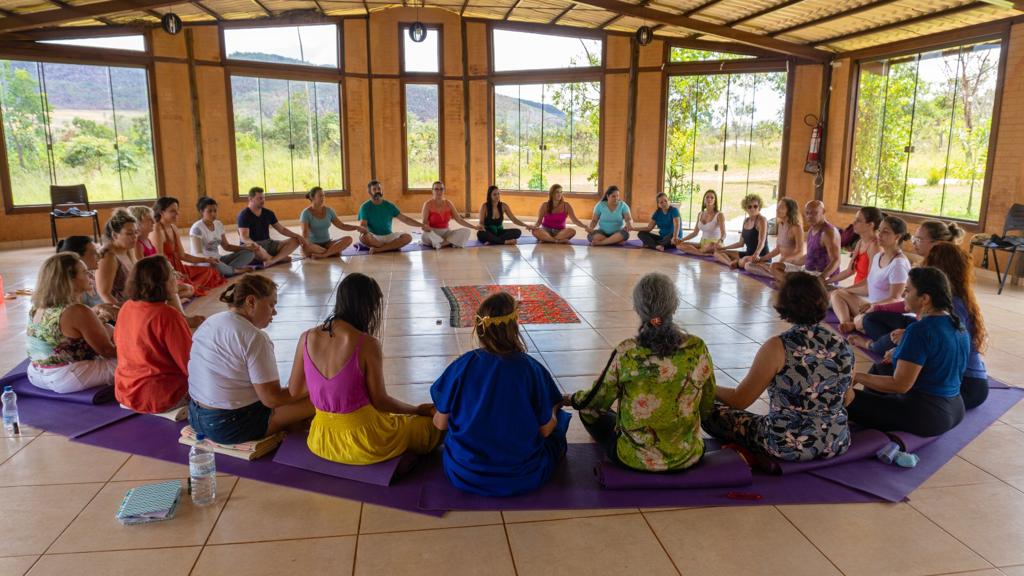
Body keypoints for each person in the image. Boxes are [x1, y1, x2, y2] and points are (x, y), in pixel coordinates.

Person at [287, 273, 443, 464]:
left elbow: (294, 390)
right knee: (431, 427)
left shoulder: (306, 337)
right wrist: (416, 409)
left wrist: (328, 396)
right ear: (367, 307)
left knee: (390, 418)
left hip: (321, 439)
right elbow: (381, 402)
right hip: (365, 443)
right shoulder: (366, 344)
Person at [566, 272, 715, 471]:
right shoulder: (697, 347)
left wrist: (573, 399)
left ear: (637, 308)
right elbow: (707, 403)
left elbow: (596, 401)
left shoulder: (628, 352)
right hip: (687, 455)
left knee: (587, 410)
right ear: (675, 305)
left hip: (633, 459)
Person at [703, 272, 854, 462]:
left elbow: (739, 400)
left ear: (785, 304)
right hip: (836, 441)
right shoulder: (843, 344)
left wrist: (706, 385)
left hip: (786, 444)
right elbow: (848, 398)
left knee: (712, 410)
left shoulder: (778, 347)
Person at [430, 292, 569, 496]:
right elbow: (546, 430)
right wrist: (556, 408)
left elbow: (440, 424)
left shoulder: (462, 366)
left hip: (464, 473)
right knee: (559, 426)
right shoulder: (530, 369)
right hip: (523, 476)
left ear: (479, 328)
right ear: (514, 329)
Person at [853, 243, 989, 409]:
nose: (924, 262)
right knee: (883, 355)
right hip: (953, 392)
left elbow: (902, 383)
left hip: (966, 386)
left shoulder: (952, 307)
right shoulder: (943, 306)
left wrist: (902, 350)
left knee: (882, 372)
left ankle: (868, 407)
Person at [188, 275, 314, 444]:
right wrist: (311, 388)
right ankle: (280, 425)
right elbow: (272, 400)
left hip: (196, 416)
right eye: (271, 305)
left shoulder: (211, 321)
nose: (274, 312)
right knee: (321, 399)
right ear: (251, 301)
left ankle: (289, 423)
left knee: (292, 397)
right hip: (226, 426)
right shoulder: (254, 337)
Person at [845, 267, 970, 437]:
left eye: (908, 290)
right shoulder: (958, 325)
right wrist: (898, 352)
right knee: (880, 369)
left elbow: (900, 385)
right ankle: (871, 415)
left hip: (927, 415)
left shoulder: (919, 329)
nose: (904, 295)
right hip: (955, 408)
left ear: (925, 298)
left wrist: (856, 377)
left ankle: (867, 416)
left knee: (842, 397)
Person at [26, 253, 117, 393]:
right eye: (85, 273)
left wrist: (102, 318)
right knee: (136, 363)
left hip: (35, 374)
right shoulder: (77, 311)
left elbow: (70, 330)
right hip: (66, 378)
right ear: (70, 280)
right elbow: (107, 351)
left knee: (107, 328)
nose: (91, 276)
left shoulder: (37, 307)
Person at [113, 256, 193, 414]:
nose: (176, 275)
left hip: (126, 392)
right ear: (160, 281)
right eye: (171, 272)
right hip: (160, 396)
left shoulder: (127, 307)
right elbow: (189, 363)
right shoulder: (167, 314)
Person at [830, 215, 911, 333]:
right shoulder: (879, 256)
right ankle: (846, 323)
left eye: (886, 232)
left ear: (897, 237)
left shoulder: (899, 264)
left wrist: (875, 306)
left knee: (860, 319)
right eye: (879, 230)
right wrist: (846, 290)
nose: (879, 234)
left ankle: (855, 323)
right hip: (870, 305)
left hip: (884, 311)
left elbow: (896, 298)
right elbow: (869, 284)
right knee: (836, 294)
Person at [151, 197, 226, 297]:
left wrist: (205, 259)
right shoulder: (157, 230)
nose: (177, 213)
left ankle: (181, 290)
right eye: (172, 211)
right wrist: (173, 272)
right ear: (161, 212)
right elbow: (159, 260)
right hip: (165, 271)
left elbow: (183, 255)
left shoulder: (173, 227)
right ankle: (171, 295)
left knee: (210, 272)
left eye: (177, 210)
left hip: (179, 268)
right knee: (188, 288)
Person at [769, 200, 840, 282]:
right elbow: (810, 255)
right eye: (807, 213)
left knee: (783, 280)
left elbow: (836, 260)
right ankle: (793, 286)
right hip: (806, 271)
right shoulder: (811, 229)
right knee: (775, 267)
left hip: (819, 275)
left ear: (823, 212)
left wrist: (821, 278)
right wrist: (791, 262)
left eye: (814, 213)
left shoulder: (829, 232)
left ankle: (792, 286)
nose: (810, 216)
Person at [237, 186, 309, 266]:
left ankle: (273, 260)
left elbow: (282, 229)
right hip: (253, 246)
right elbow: (244, 237)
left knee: (295, 240)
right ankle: (278, 258)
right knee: (255, 249)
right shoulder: (244, 215)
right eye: (260, 198)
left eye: (263, 198)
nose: (263, 201)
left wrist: (298, 236)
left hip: (268, 243)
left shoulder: (268, 213)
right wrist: (256, 245)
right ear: (250, 199)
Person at [189, 196, 257, 277]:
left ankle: (226, 270)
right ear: (201, 212)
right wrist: (208, 259)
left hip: (218, 260)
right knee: (215, 265)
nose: (213, 214)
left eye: (215, 211)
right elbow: (197, 253)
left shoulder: (218, 224)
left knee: (249, 253)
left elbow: (226, 246)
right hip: (204, 262)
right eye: (209, 211)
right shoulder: (197, 228)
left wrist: (245, 248)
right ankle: (234, 270)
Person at [57, 236, 119, 323]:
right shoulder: (74, 284)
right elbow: (75, 318)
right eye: (94, 253)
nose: (99, 255)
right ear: (78, 258)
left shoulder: (92, 275)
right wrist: (99, 309)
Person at [745, 198, 804, 278]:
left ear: (790, 210)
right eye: (778, 207)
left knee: (772, 267)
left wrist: (787, 259)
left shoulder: (796, 228)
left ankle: (781, 276)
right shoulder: (781, 225)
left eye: (781, 207)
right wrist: (762, 259)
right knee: (749, 265)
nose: (777, 209)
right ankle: (777, 275)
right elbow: (777, 249)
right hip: (779, 265)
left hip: (792, 265)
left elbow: (800, 252)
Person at [358, 180, 422, 254]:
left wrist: (422, 225)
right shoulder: (365, 206)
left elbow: (405, 219)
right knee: (363, 237)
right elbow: (363, 224)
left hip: (389, 236)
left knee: (408, 237)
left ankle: (379, 249)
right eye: (374, 189)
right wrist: (364, 231)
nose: (377, 191)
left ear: (382, 190)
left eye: (379, 188)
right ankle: (390, 247)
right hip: (374, 237)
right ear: (370, 192)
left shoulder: (389, 205)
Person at [300, 187, 364, 258]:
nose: (323, 198)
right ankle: (332, 252)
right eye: (320, 196)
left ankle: (324, 254)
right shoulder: (305, 213)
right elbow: (305, 234)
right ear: (312, 197)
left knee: (348, 239)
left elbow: (342, 225)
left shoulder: (329, 211)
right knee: (305, 248)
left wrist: (357, 227)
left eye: (323, 195)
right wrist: (308, 245)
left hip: (327, 243)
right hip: (313, 245)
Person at [95, 209, 139, 306]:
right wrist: (123, 314)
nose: (135, 236)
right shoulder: (108, 257)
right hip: (120, 306)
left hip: (134, 301)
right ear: (115, 235)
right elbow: (104, 293)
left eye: (136, 232)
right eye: (129, 233)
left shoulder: (128, 249)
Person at [420, 181, 480, 250]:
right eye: (436, 189)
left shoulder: (448, 203)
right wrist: (426, 228)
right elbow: (424, 223)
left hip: (446, 233)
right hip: (433, 233)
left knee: (467, 231)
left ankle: (441, 244)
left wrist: (474, 227)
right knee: (425, 235)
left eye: (441, 189)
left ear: (444, 190)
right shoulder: (427, 204)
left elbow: (459, 220)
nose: (439, 191)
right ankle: (449, 242)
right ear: (432, 191)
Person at [830, 207, 882, 286]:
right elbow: (849, 271)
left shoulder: (875, 246)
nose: (853, 223)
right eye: (855, 219)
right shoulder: (860, 242)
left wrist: (847, 290)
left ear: (870, 225)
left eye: (858, 221)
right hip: (857, 288)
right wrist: (826, 281)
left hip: (868, 292)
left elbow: (870, 281)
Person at [714, 193, 768, 268]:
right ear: (745, 208)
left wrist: (756, 254)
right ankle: (730, 263)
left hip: (759, 255)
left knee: (745, 261)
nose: (752, 209)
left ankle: (738, 262)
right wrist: (724, 248)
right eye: (749, 207)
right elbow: (740, 243)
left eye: (755, 206)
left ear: (759, 207)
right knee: (717, 253)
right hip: (747, 254)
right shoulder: (746, 221)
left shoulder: (762, 220)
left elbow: (761, 241)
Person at [676, 190, 725, 255]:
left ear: (715, 201)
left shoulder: (719, 215)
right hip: (702, 243)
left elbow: (724, 233)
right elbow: (695, 233)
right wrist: (682, 240)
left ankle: (698, 251)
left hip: (714, 244)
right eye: (707, 197)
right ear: (704, 200)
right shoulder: (700, 214)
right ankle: (701, 253)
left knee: (710, 245)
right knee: (679, 245)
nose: (709, 199)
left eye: (712, 197)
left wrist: (720, 241)